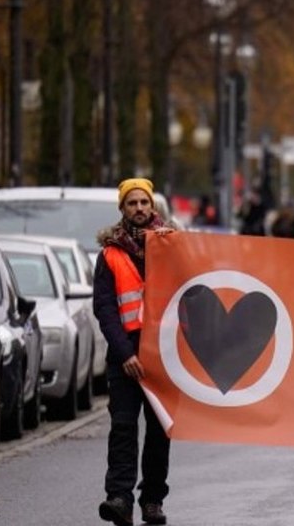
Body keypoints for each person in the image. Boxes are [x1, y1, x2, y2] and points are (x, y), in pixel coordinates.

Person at [93, 178, 173, 526]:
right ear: (122, 209)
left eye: (144, 202)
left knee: (158, 432)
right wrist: (125, 353)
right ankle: (119, 497)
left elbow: (193, 296)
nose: (139, 208)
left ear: (152, 206)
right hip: (125, 358)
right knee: (123, 428)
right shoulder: (109, 254)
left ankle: (152, 500)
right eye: (131, 203)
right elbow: (105, 308)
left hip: (163, 358)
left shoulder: (172, 247)